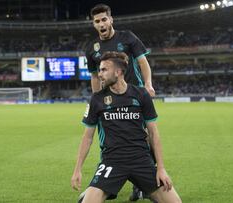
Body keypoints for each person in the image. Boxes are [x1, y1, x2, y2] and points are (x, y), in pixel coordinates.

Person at [71, 52, 182, 203]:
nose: (100, 74)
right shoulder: (97, 99)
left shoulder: (141, 94)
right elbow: (87, 137)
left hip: (141, 160)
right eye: (99, 70)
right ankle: (97, 191)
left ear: (118, 72)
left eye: (104, 70)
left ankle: (145, 188)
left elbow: (153, 133)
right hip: (112, 161)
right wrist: (77, 169)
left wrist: (161, 168)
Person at [85, 4, 156, 201]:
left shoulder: (128, 37)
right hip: (108, 101)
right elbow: (93, 76)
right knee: (108, 139)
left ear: (111, 19)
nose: (101, 24)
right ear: (94, 24)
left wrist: (148, 84)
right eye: (97, 21)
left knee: (143, 137)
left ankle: (143, 182)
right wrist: (95, 98)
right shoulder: (91, 48)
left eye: (104, 19)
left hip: (134, 96)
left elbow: (142, 62)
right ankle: (106, 182)